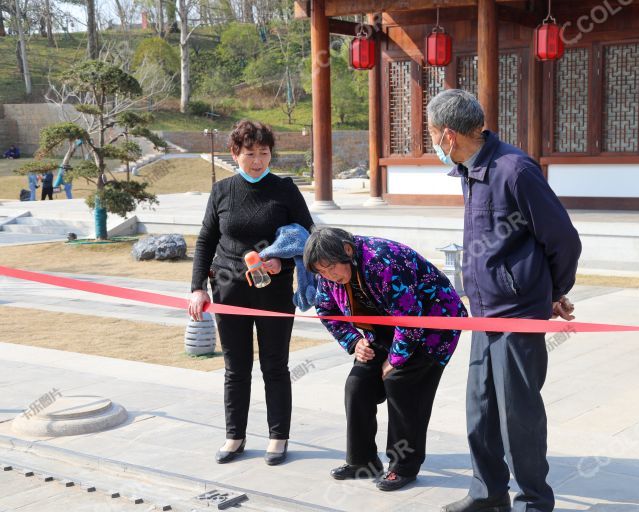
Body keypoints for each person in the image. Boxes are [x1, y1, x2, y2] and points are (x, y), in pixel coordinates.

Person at [427, 90, 582, 512]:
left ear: (447, 135)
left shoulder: (514, 170)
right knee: (480, 408)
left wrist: (553, 292)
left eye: (431, 135)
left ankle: (534, 501)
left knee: (518, 414)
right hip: (483, 313)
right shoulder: (470, 170)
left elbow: (563, 239)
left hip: (516, 315)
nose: (432, 145)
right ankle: (488, 494)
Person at [188, 120, 314, 466]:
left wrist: (280, 263)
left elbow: (308, 236)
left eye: (264, 153)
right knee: (235, 367)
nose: (258, 160)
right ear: (235, 154)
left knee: (275, 366)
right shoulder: (222, 191)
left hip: (273, 291)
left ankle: (278, 437)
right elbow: (205, 241)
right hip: (228, 290)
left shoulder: (285, 190)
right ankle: (235, 436)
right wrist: (197, 287)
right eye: (250, 154)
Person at [305, 227, 468, 492]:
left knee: (400, 383)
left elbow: (410, 316)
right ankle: (362, 461)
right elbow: (326, 308)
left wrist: (394, 360)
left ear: (347, 251)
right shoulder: (329, 273)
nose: (328, 276)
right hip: (383, 330)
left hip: (431, 326)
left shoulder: (382, 260)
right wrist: (354, 341)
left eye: (330, 268)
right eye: (321, 272)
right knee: (357, 386)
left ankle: (403, 465)